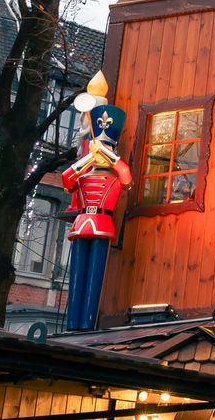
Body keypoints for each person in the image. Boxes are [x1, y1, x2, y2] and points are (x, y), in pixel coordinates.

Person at [60, 103, 130, 332]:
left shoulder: (114, 177)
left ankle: (87, 322)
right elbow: (66, 179)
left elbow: (126, 177)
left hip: (102, 223)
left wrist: (108, 154)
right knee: (77, 275)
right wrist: (89, 158)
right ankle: (73, 322)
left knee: (94, 275)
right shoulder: (83, 175)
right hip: (82, 223)